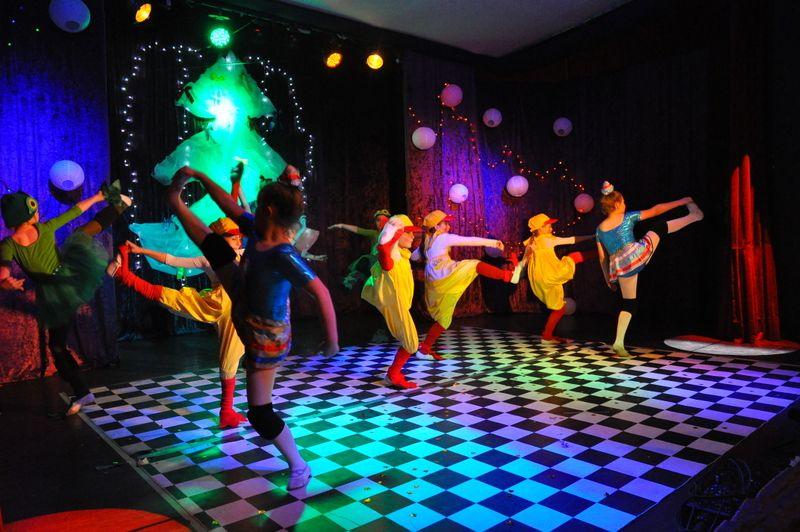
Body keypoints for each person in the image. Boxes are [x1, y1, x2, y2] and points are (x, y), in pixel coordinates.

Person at [165, 166, 338, 491]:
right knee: (216, 247)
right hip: (244, 299)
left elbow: (322, 293)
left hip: (266, 337)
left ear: (269, 211)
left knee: (259, 413)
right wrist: (200, 176)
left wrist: (332, 342)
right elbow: (226, 204)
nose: (250, 209)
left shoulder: (284, 254)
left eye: (258, 204)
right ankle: (175, 202)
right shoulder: (257, 229)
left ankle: (299, 465)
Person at [0, 182, 130, 415]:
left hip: (55, 295)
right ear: (27, 216)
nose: (38, 213)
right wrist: (98, 197)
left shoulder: (8, 244)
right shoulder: (44, 228)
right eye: (34, 211)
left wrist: (6, 283)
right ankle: (120, 206)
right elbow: (75, 211)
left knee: (57, 347)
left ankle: (82, 392)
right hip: (69, 281)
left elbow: (3, 273)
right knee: (80, 235)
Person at [108, 217, 249, 428]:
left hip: (243, 306)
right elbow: (172, 260)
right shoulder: (207, 259)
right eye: (233, 237)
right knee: (174, 299)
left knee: (242, 356)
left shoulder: (245, 254)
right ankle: (125, 276)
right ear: (221, 240)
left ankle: (235, 409)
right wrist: (141, 250)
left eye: (239, 237)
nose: (238, 240)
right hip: (221, 305)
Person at [595, 181, 703, 355]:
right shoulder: (627, 217)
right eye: (623, 202)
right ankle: (695, 216)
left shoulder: (599, 229)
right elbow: (656, 210)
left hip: (620, 267)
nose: (625, 204)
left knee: (629, 304)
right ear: (616, 204)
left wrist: (608, 278)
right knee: (659, 227)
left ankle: (619, 342)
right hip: (635, 255)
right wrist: (682, 201)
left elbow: (602, 258)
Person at [412, 210, 522, 360]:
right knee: (474, 264)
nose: (448, 227)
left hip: (435, 283)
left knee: (444, 320)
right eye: (445, 224)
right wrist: (493, 243)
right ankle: (508, 276)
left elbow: (413, 257)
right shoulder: (442, 238)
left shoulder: (425, 243)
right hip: (446, 275)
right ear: (436, 226)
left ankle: (424, 350)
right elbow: (469, 240)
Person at [361, 215, 423, 388]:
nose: (412, 236)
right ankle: (393, 375)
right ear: (397, 234)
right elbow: (384, 253)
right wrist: (392, 234)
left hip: (402, 305)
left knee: (410, 343)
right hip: (395, 305)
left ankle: (393, 374)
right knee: (412, 344)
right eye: (407, 233)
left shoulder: (403, 255)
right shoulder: (392, 257)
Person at [520, 214, 595, 341]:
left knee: (559, 308)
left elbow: (524, 262)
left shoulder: (531, 242)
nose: (551, 227)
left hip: (539, 279)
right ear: (540, 228)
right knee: (571, 258)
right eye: (548, 225)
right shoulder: (548, 239)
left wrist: (517, 272)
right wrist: (592, 236)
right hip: (550, 274)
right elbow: (572, 240)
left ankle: (547, 335)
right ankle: (598, 253)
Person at [329, 209, 391, 289]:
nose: (380, 223)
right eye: (378, 220)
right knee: (363, 264)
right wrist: (341, 225)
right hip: (373, 263)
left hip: (385, 265)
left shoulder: (392, 236)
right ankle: (349, 282)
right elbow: (358, 230)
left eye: (383, 220)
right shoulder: (374, 233)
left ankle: (351, 281)